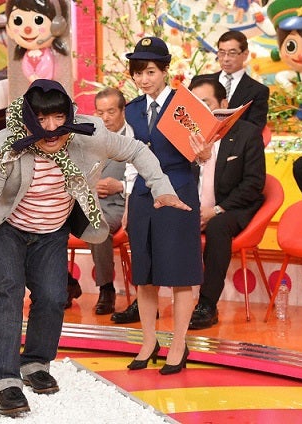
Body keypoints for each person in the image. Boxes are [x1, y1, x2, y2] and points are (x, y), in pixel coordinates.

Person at [0, 78, 189, 416]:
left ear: (69, 116)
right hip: (6, 229)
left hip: (51, 231)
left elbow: (137, 150)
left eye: (58, 118)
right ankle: (6, 383)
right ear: (28, 119)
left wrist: (161, 188)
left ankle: (35, 363)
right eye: (41, 119)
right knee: (8, 290)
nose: (50, 129)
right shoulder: (6, 142)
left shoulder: (91, 134)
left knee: (52, 297)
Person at [123, 37, 203, 375]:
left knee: (180, 273)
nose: (143, 79)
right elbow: (130, 158)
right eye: (138, 72)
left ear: (166, 71)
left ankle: (179, 345)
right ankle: (148, 341)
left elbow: (202, 154)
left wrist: (203, 152)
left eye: (150, 72)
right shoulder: (131, 109)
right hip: (143, 195)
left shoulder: (185, 106)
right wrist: (128, 200)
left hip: (179, 193)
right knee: (144, 274)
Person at [186, 77, 266, 329]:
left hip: (231, 207)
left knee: (218, 226)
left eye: (206, 103)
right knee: (154, 216)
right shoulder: (188, 135)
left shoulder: (247, 134)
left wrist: (215, 210)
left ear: (224, 104)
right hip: (195, 207)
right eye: (196, 105)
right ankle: (146, 299)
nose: (202, 111)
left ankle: (207, 305)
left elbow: (253, 184)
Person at [90, 88, 137, 314]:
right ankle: (67, 283)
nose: (105, 118)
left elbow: (147, 178)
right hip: (87, 201)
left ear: (122, 111)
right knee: (47, 222)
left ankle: (106, 289)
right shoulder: (88, 137)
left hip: (120, 205)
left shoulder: (135, 138)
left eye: (111, 112)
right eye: (100, 113)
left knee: (96, 225)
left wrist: (120, 186)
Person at [192, 30, 269, 132]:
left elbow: (255, 128)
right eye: (221, 53)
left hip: (236, 140)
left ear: (245, 54)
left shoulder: (258, 91)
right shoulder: (200, 81)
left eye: (232, 53)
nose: (225, 59)